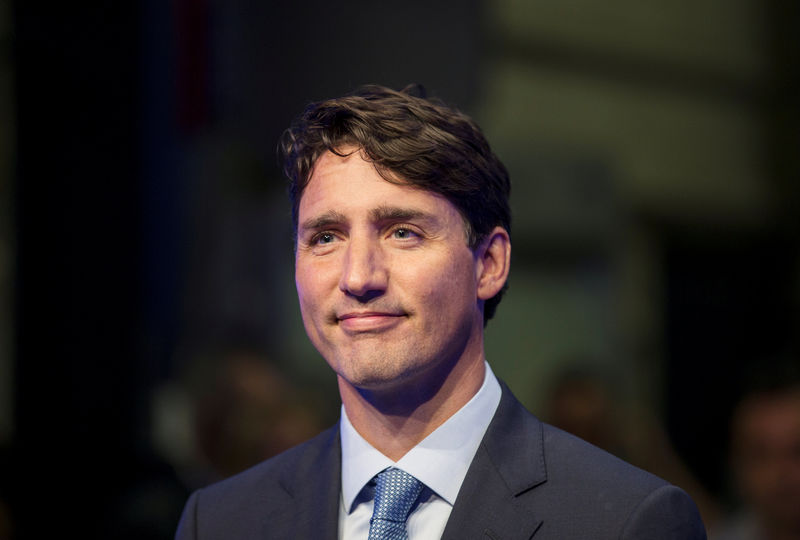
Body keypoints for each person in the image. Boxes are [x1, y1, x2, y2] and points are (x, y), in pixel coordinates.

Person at [175, 84, 706, 539]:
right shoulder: (221, 522)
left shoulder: (623, 521)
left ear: (489, 263)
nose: (359, 276)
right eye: (326, 236)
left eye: (403, 232)